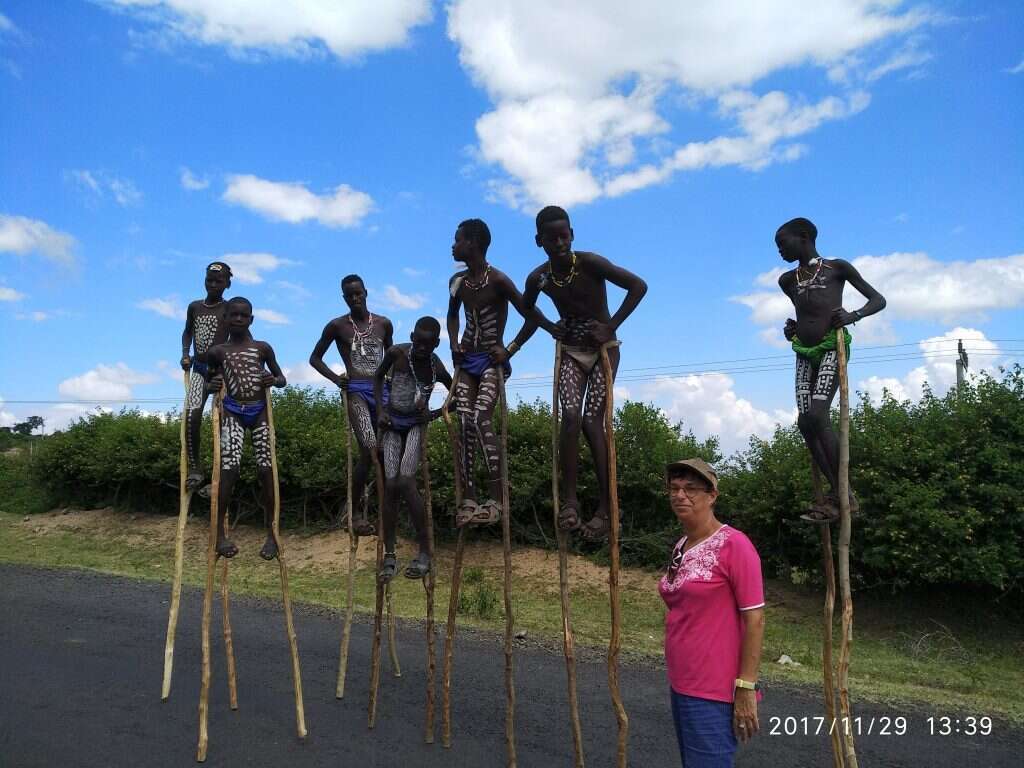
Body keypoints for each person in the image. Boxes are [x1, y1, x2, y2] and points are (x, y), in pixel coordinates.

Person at [522, 205, 647, 541]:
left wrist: (610, 327)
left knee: (594, 422)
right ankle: (571, 503)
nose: (560, 243)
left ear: (572, 235)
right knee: (571, 417)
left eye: (564, 236)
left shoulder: (591, 263)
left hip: (605, 351)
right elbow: (525, 305)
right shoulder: (540, 278)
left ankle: (606, 511)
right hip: (571, 354)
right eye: (551, 238)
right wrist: (550, 326)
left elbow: (638, 286)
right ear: (540, 241)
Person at [447, 217, 560, 527]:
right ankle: (469, 499)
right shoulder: (457, 283)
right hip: (466, 361)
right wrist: (454, 343)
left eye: (457, 240)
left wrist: (510, 349)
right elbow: (452, 316)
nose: (453, 245)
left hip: (490, 362)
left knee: (482, 417)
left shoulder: (499, 281)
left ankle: (497, 501)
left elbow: (532, 315)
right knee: (464, 421)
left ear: (472, 243)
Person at [775, 217, 886, 521]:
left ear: (804, 236)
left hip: (830, 347)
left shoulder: (838, 268)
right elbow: (808, 313)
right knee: (804, 422)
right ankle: (836, 495)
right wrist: (794, 328)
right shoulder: (788, 280)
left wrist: (854, 315)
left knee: (816, 416)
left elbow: (878, 299)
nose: (780, 251)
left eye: (783, 244)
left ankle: (843, 496)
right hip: (803, 352)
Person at [659, 459, 765, 768]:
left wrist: (746, 688)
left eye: (691, 488)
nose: (681, 495)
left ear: (712, 496)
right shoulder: (682, 544)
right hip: (682, 680)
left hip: (713, 688)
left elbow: (754, 619)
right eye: (675, 488)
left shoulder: (735, 546)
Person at [310, 274, 395, 534]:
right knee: (369, 451)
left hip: (383, 393)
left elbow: (390, 357)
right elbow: (315, 358)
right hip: (356, 391)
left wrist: (395, 384)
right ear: (344, 297)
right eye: (350, 295)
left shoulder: (384, 324)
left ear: (366, 292)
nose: (355, 298)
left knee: (385, 455)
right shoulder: (336, 326)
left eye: (358, 293)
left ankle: (385, 515)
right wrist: (337, 380)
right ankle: (356, 513)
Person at [205, 297, 288, 560]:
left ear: (251, 319)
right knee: (229, 471)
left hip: (259, 411)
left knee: (266, 470)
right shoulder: (218, 352)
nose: (239, 319)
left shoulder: (263, 348)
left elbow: (282, 378)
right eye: (234, 315)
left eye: (244, 315)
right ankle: (219, 536)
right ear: (226, 318)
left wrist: (272, 379)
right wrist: (213, 385)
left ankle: (272, 535)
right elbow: (209, 381)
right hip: (231, 411)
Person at [374, 317, 453, 581]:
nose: (421, 347)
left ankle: (425, 552)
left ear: (436, 344)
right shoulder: (397, 353)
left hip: (416, 426)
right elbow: (376, 378)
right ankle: (389, 554)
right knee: (391, 485)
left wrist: (433, 415)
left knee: (407, 481)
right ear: (411, 335)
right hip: (393, 424)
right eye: (418, 341)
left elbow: (455, 394)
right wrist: (381, 410)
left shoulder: (434, 366)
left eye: (427, 344)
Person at [180, 261, 232, 493]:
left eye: (218, 281)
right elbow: (188, 331)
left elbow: (241, 337)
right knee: (191, 416)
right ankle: (195, 468)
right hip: (199, 368)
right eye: (209, 280)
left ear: (227, 284)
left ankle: (219, 475)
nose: (213, 284)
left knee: (223, 421)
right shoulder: (194, 307)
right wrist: (185, 354)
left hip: (222, 371)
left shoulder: (230, 309)